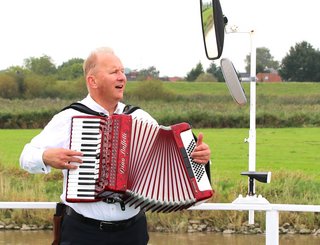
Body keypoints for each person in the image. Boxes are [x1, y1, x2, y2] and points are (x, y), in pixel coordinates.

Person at [19, 47, 211, 245]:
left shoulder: (139, 117)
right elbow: (26, 156)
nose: (122, 77)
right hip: (82, 232)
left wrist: (199, 159)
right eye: (114, 72)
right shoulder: (70, 117)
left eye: (122, 71)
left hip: (132, 232)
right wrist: (45, 157)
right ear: (92, 81)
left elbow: (171, 164)